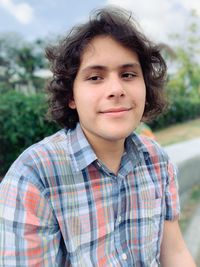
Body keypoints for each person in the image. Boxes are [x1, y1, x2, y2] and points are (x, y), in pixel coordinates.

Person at [0, 6, 196, 267]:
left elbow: (175, 253)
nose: (116, 89)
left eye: (128, 74)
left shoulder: (157, 161)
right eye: (95, 77)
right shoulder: (33, 179)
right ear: (71, 96)